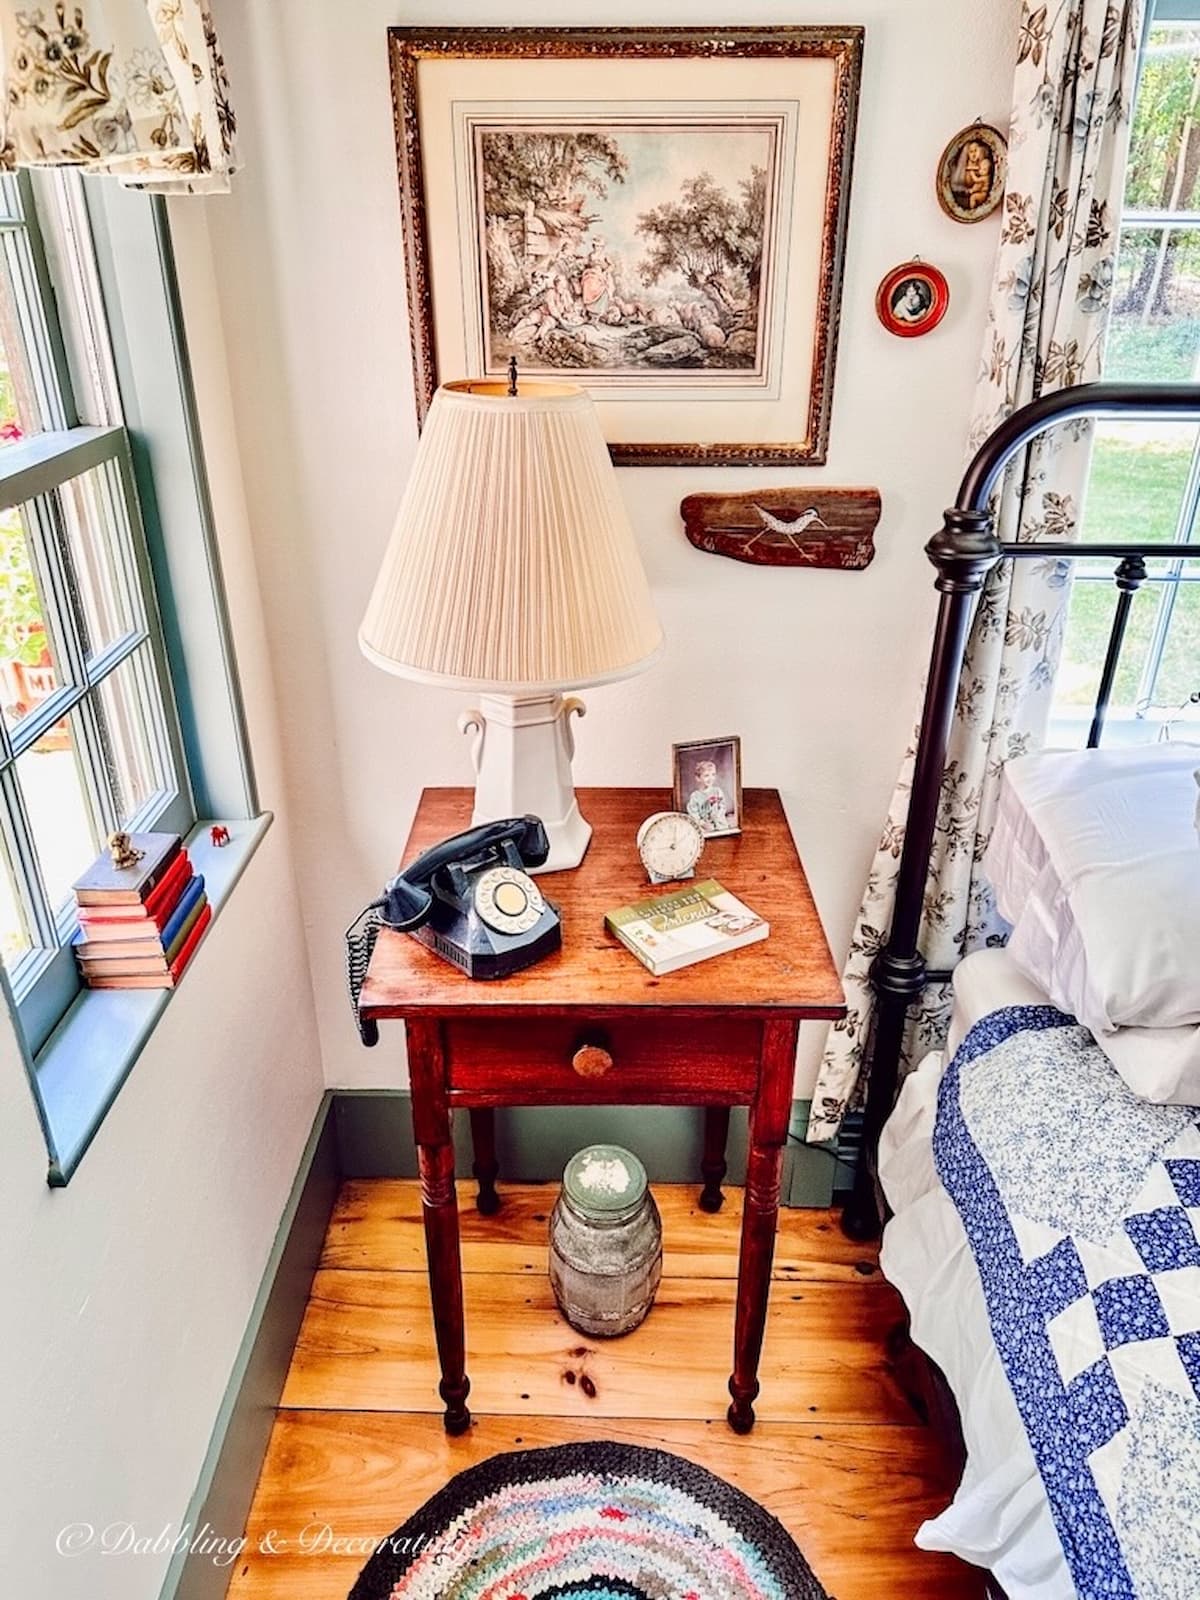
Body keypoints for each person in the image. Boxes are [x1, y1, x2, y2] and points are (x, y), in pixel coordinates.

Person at [686, 758, 732, 834]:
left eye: (713, 774)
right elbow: (693, 814)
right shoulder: (695, 796)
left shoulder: (717, 791)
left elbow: (722, 806)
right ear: (698, 778)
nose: (710, 778)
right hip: (704, 824)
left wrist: (718, 816)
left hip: (719, 821)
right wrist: (702, 823)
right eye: (706, 775)